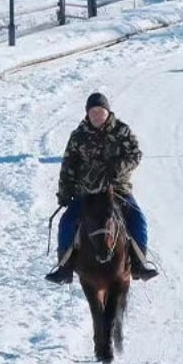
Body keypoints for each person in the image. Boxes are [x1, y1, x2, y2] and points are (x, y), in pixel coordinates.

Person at [45, 92, 159, 284]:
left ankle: (140, 264)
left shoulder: (122, 131)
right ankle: (64, 268)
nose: (97, 115)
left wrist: (118, 168)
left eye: (101, 111)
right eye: (93, 112)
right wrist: (65, 193)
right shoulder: (78, 136)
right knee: (66, 222)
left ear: (108, 112)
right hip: (86, 192)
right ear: (87, 114)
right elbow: (68, 165)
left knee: (138, 218)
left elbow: (135, 154)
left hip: (117, 190)